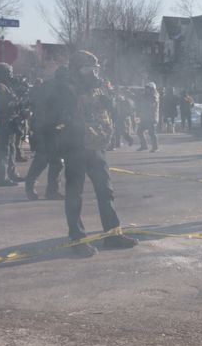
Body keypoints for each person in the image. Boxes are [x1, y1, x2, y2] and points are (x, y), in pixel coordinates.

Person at [46, 51, 138, 257]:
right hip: (75, 149)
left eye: (95, 69)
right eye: (88, 69)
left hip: (96, 147)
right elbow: (50, 120)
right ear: (76, 69)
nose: (92, 73)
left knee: (106, 192)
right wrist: (54, 146)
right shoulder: (64, 89)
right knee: (74, 196)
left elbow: (113, 112)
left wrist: (112, 104)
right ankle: (77, 239)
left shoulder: (98, 88)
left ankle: (112, 235)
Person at [23, 66, 68, 200]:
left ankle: (52, 191)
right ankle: (31, 187)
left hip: (53, 127)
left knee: (56, 161)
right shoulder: (55, 88)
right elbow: (42, 107)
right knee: (42, 159)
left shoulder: (51, 86)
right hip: (45, 127)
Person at [136, 82, 159, 152]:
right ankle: (144, 145)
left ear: (152, 89)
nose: (146, 90)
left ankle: (155, 147)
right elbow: (140, 103)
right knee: (139, 131)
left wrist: (143, 101)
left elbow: (151, 105)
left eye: (148, 88)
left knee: (152, 133)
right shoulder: (145, 95)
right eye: (146, 88)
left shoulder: (154, 96)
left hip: (151, 118)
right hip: (145, 118)